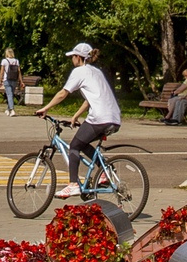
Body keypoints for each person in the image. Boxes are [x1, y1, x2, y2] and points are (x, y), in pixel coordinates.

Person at [35, 42, 122, 198]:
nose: (72, 60)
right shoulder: (96, 72)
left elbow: (63, 93)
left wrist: (45, 108)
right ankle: (104, 172)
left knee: (74, 145)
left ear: (78, 57)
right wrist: (76, 116)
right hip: (114, 118)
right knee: (83, 142)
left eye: (72, 57)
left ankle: (73, 185)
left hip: (100, 117)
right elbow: (91, 98)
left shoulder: (79, 71)